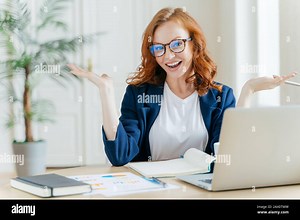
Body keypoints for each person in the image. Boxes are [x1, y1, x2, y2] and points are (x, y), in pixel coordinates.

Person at [67, 7, 295, 166]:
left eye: (176, 44)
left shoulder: (220, 97)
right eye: (159, 48)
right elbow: (120, 156)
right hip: (151, 192)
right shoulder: (140, 95)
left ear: (195, 44)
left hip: (201, 192)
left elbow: (228, 157)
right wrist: (105, 92)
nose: (168, 56)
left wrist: (248, 91)